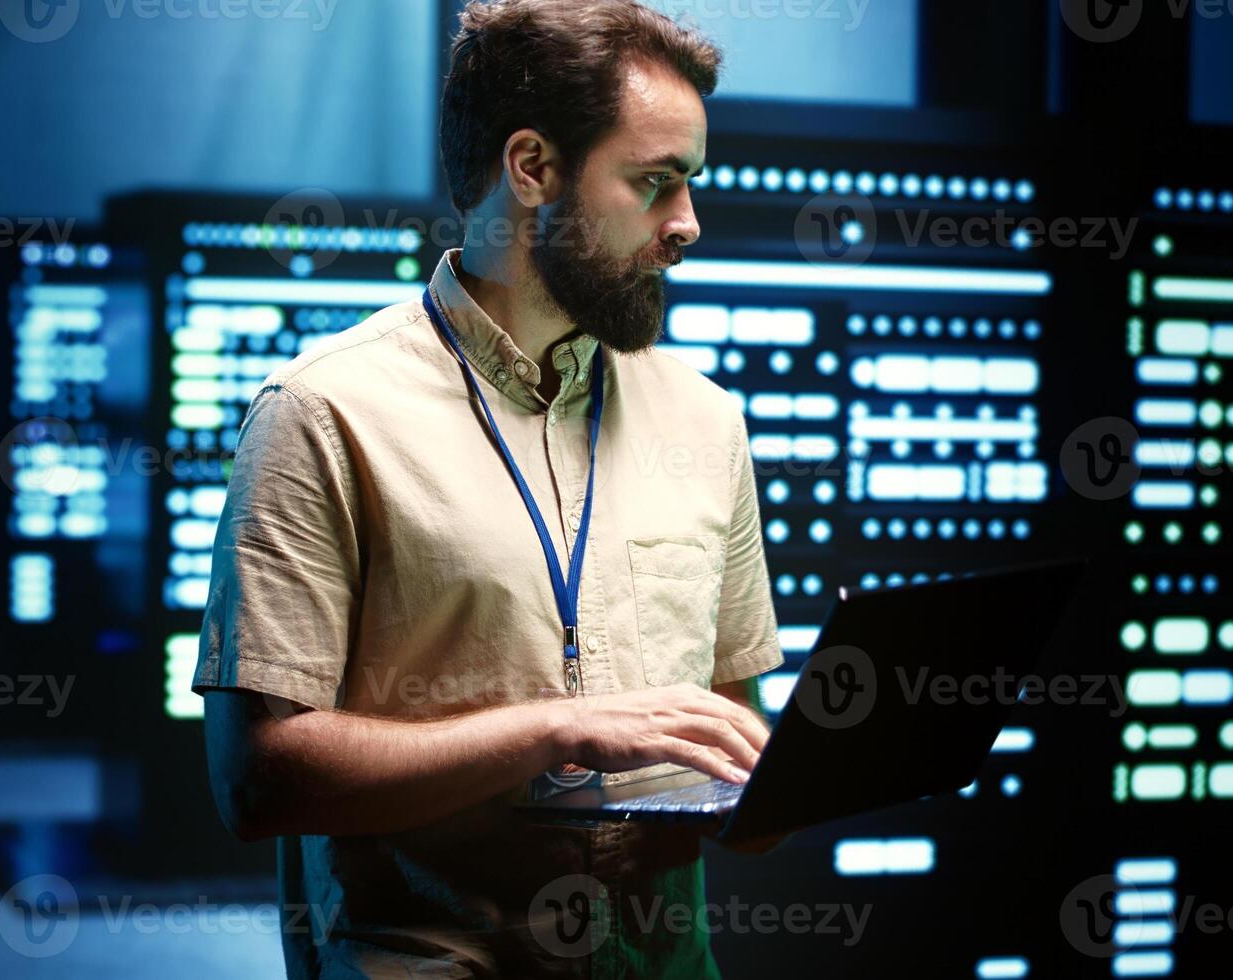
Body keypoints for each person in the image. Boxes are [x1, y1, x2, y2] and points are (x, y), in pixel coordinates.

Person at [198, 1, 789, 974]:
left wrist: (807, 772)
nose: (687, 224)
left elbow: (733, 750)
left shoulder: (704, 419)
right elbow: (258, 782)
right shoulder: (322, 411)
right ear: (531, 169)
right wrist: (552, 730)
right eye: (654, 183)